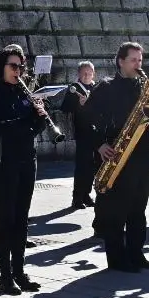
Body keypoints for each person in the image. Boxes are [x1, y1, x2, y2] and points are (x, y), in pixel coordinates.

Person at [0, 45, 51, 294]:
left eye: (21, 67)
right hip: (4, 160)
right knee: (5, 218)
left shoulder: (23, 92)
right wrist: (20, 117)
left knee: (22, 218)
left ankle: (20, 271)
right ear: (2, 67)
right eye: (13, 66)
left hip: (27, 159)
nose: (18, 71)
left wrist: (39, 116)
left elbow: (32, 130)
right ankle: (5, 275)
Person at [85, 42, 149, 273]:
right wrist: (99, 144)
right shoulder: (106, 87)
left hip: (144, 156)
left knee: (138, 209)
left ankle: (136, 255)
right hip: (117, 154)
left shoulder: (147, 86)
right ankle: (117, 260)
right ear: (121, 61)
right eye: (133, 60)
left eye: (140, 60)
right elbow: (85, 119)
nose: (139, 64)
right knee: (117, 211)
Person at [60, 61, 99, 209]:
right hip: (83, 132)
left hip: (97, 132)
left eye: (89, 73)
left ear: (93, 73)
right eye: (84, 73)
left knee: (93, 165)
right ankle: (77, 198)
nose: (87, 75)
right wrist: (79, 104)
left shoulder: (97, 87)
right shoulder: (74, 88)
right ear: (78, 74)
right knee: (82, 165)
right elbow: (65, 108)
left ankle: (86, 194)